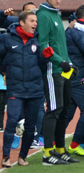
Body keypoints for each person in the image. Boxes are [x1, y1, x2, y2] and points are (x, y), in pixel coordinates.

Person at [0, 11, 50, 167]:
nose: (35, 24)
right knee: (12, 121)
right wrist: (5, 71)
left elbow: (41, 66)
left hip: (35, 89)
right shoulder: (7, 38)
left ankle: (22, 157)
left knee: (30, 125)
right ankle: (6, 157)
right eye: (32, 21)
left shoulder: (38, 40)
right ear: (22, 22)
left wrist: (45, 57)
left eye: (36, 21)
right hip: (16, 89)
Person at [37, 0, 79, 165]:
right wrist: (59, 62)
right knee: (54, 110)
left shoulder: (55, 14)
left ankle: (61, 150)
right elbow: (43, 45)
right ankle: (47, 154)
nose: (58, 0)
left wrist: (69, 63)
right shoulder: (44, 15)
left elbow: (59, 46)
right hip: (53, 70)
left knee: (64, 110)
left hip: (64, 69)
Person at [65, 5, 84, 157]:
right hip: (77, 76)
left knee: (68, 113)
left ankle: (54, 144)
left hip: (72, 75)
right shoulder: (78, 30)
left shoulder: (73, 30)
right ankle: (74, 145)